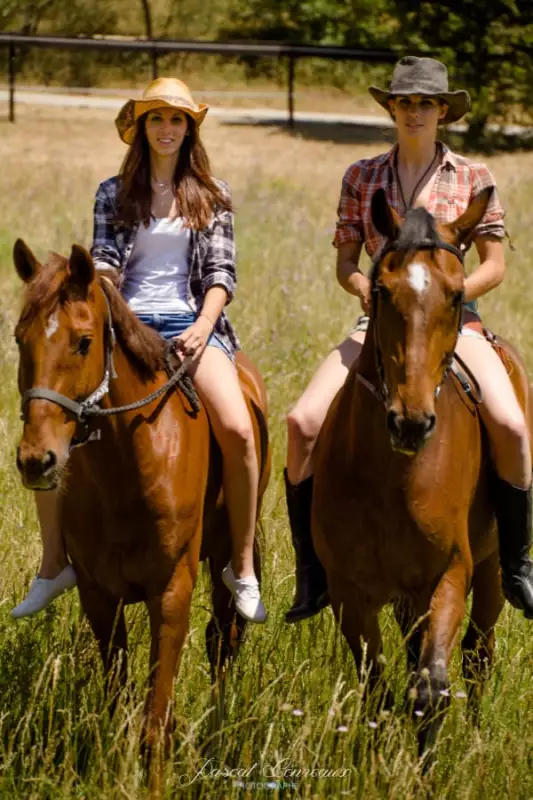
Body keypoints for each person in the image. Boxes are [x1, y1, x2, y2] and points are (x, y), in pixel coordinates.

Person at [284, 56, 533, 623]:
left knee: (514, 424)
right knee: (301, 424)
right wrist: (374, 294)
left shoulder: (474, 177)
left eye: (425, 103)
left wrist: (444, 298)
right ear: (391, 109)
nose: (414, 112)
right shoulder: (361, 176)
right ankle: (312, 572)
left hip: (455, 320)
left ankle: (517, 563)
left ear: (442, 111)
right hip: (380, 320)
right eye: (404, 102)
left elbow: (495, 264)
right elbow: (347, 263)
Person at [12, 77, 267, 624]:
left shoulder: (213, 194)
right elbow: (104, 261)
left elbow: (221, 274)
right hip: (123, 323)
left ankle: (241, 565)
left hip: (189, 324)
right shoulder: (112, 191)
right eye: (157, 119)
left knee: (240, 429)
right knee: (56, 422)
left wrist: (203, 326)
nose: (167, 129)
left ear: (189, 129)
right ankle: (55, 562)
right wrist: (107, 311)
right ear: (142, 128)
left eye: (176, 120)